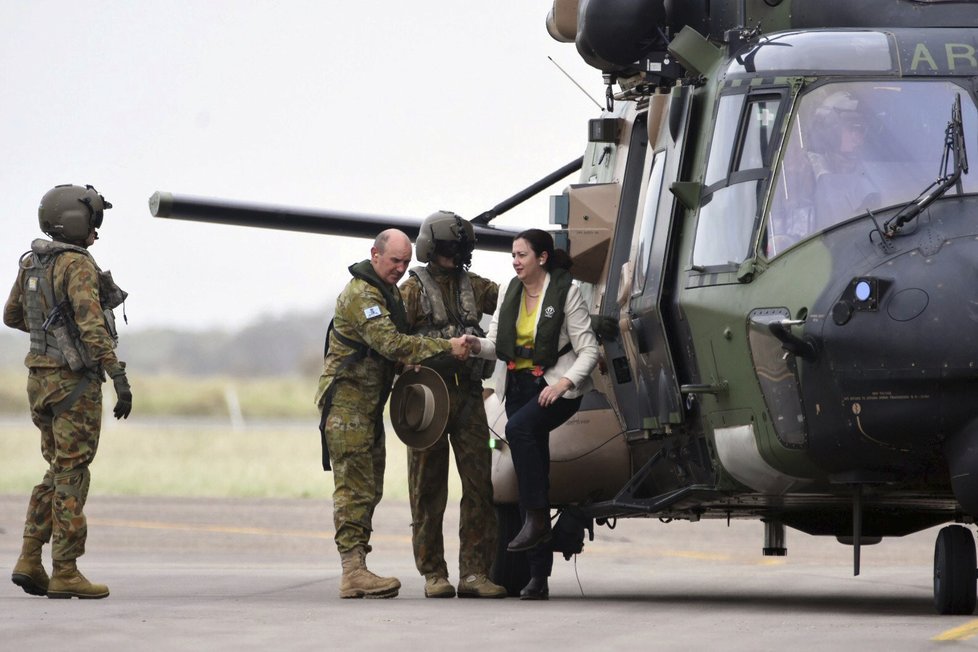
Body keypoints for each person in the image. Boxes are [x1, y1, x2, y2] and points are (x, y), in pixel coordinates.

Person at [315, 228, 470, 599]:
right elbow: (389, 342)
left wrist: (406, 363)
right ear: (375, 255)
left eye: (405, 262)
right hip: (347, 406)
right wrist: (445, 346)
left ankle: (357, 570)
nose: (400, 268)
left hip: (368, 407)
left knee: (370, 487)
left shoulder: (385, 295)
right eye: (394, 261)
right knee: (354, 489)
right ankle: (353, 571)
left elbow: (391, 351)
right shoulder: (362, 294)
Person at [3, 184, 132, 600]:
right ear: (77, 221)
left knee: (56, 469)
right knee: (73, 472)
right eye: (93, 219)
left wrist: (51, 334)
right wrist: (117, 374)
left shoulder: (33, 262)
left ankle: (28, 558)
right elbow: (93, 325)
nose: (97, 228)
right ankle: (66, 571)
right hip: (73, 384)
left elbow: (12, 316)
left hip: (38, 381)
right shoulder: (76, 265)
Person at [466, 228, 599, 600]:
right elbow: (496, 346)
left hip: (555, 388)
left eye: (522, 254)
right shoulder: (510, 291)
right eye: (513, 255)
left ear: (542, 258)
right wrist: (476, 345)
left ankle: (538, 521)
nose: (515, 261)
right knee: (532, 474)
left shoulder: (566, 293)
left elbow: (588, 350)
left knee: (520, 430)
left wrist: (563, 385)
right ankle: (538, 577)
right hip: (519, 388)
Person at [399, 211, 506, 599]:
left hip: (468, 396)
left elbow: (515, 301)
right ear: (430, 247)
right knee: (428, 488)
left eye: (458, 248)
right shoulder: (410, 291)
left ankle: (475, 572)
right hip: (427, 397)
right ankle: (433, 573)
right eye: (446, 248)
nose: (452, 255)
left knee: (479, 487)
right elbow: (391, 340)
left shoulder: (475, 287)